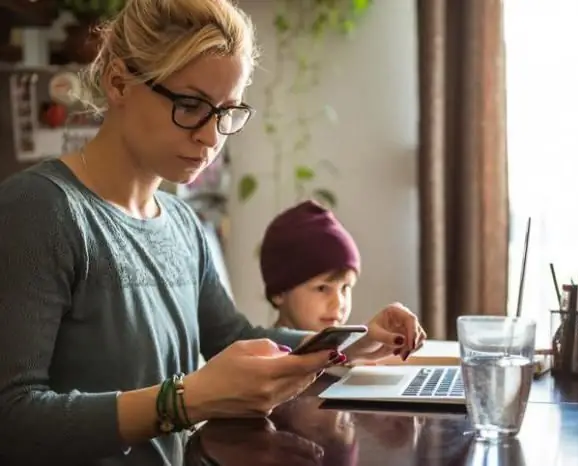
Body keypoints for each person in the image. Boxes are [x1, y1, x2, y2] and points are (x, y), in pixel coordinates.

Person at [0, 1, 427, 465]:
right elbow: (12, 419)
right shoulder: (40, 211)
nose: (210, 137)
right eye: (190, 106)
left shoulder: (184, 225)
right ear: (119, 82)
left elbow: (234, 336)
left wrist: (355, 340)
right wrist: (185, 401)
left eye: (226, 112)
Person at [260, 200, 360, 332]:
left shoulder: (344, 350)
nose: (338, 303)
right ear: (279, 293)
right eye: (322, 288)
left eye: (345, 288)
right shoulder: (262, 351)